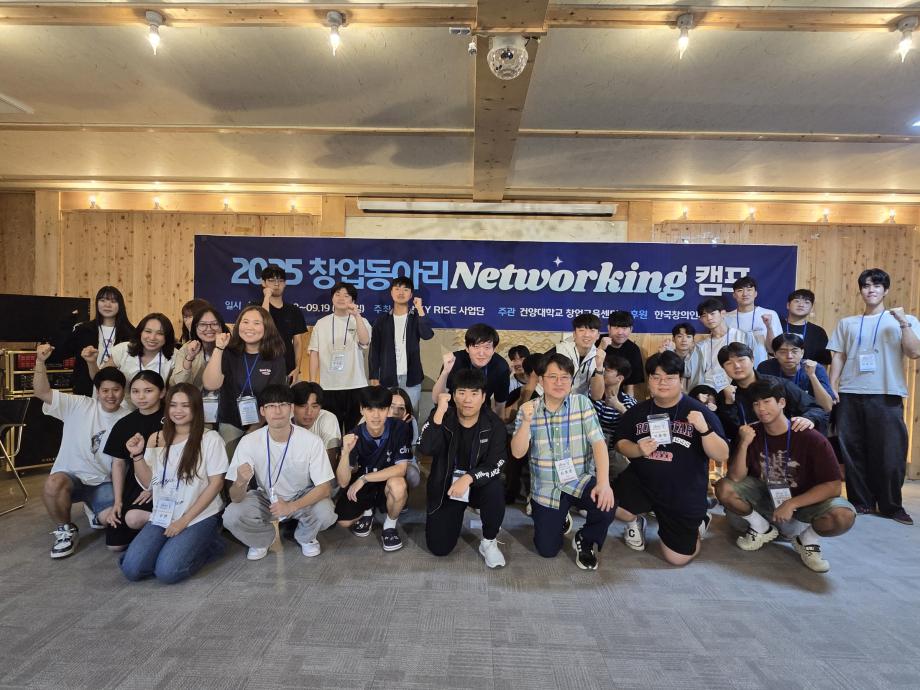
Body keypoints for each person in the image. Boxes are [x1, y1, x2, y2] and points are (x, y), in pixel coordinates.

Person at [715, 380, 856, 572]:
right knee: (724, 487)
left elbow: (833, 486)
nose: (761, 408)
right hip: (765, 497)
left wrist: (791, 504)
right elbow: (735, 478)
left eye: (767, 401)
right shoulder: (752, 433)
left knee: (843, 516)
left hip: (803, 504)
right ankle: (761, 528)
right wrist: (744, 443)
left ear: (782, 402)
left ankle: (807, 540)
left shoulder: (810, 437)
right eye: (756, 403)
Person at [614, 351, 729, 566]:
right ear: (649, 380)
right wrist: (638, 449)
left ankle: (698, 522)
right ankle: (636, 521)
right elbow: (621, 443)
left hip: (683, 491)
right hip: (643, 483)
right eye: (656, 377)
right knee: (606, 503)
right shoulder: (637, 412)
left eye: (670, 377)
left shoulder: (699, 412)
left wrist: (704, 430)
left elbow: (722, 454)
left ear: (681, 380)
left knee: (677, 559)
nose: (662, 383)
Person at [828, 268, 920, 524]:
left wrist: (902, 322)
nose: (871, 290)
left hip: (886, 393)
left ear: (885, 290)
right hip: (850, 393)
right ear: (861, 291)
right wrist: (832, 385)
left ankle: (891, 505)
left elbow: (914, 352)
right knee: (853, 451)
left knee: (890, 453)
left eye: (876, 286)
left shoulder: (904, 319)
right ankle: (861, 501)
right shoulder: (848, 323)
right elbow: (839, 356)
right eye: (866, 286)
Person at [511, 353, 616, 571]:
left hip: (579, 479)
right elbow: (518, 453)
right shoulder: (528, 409)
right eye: (552, 377)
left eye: (565, 377)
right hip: (546, 488)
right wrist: (527, 422)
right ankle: (560, 516)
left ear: (571, 380)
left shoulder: (582, 404)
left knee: (606, 503)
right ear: (541, 381)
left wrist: (603, 483)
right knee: (547, 550)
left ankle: (586, 539)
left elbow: (598, 444)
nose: (559, 382)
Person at [120, 383, 228, 584]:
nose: (178, 411)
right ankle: (175, 549)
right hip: (164, 514)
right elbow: (148, 483)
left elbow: (216, 484)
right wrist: (137, 455)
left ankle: (211, 544)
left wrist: (183, 521)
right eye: (173, 405)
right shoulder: (157, 438)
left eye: (185, 405)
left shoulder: (210, 439)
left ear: (196, 408)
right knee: (132, 570)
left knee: (167, 572)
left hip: (199, 516)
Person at [34, 343, 130, 559]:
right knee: (53, 484)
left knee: (113, 523)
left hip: (103, 483)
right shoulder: (78, 405)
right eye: (105, 390)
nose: (110, 395)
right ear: (98, 391)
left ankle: (95, 510)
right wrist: (40, 361)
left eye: (116, 390)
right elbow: (41, 392)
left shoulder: (128, 418)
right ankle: (65, 529)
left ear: (124, 391)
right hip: (71, 478)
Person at [224, 385, 337, 560]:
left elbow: (325, 488)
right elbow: (235, 498)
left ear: (291, 408)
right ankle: (262, 539)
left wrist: (292, 506)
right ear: (262, 411)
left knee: (326, 512)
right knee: (231, 515)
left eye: (283, 405)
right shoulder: (249, 442)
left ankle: (306, 537)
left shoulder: (311, 441)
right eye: (271, 406)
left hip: (301, 497)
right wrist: (239, 482)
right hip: (266, 498)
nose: (277, 411)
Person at [420, 369, 507, 567]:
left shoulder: (494, 425)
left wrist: (468, 478)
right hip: (446, 486)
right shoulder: (442, 416)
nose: (467, 399)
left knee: (495, 489)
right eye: (461, 392)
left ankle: (489, 541)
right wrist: (438, 412)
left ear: (483, 397)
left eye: (474, 393)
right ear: (453, 395)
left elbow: (497, 464)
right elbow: (425, 448)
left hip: (478, 484)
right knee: (439, 548)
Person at [335, 386, 413, 551]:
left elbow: (401, 469)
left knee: (398, 486)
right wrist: (345, 453)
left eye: (382, 409)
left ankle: (389, 526)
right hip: (365, 486)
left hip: (384, 481)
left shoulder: (400, 427)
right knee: (343, 521)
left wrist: (364, 478)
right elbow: (343, 482)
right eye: (370, 409)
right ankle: (367, 511)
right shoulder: (354, 434)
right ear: (362, 410)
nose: (376, 416)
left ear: (388, 410)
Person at [202, 305, 287, 454]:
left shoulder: (275, 358)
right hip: (230, 421)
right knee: (229, 464)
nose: (249, 327)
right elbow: (210, 384)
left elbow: (273, 398)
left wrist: (254, 429)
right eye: (245, 322)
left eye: (256, 323)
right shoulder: (228, 352)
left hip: (262, 424)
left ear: (267, 327)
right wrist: (219, 348)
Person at [102, 371, 166, 552]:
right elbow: (118, 464)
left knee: (133, 518)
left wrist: (155, 488)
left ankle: (169, 526)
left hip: (167, 483)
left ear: (162, 392)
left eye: (148, 391)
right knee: (114, 545)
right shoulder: (125, 424)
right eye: (136, 391)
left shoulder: (172, 418)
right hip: (136, 483)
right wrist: (118, 501)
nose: (141, 396)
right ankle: (150, 531)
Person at [716, 342, 828, 440]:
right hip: (750, 450)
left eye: (741, 360)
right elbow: (730, 433)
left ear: (752, 360)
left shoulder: (778, 384)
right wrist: (728, 405)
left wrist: (808, 419)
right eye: (729, 363)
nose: (736, 366)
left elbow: (816, 409)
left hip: (785, 443)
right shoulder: (725, 395)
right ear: (723, 368)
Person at [308, 282, 372, 433]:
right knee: (331, 431)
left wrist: (357, 316)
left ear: (353, 300)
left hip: (356, 385)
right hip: (328, 387)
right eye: (337, 294)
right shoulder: (321, 323)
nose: (341, 298)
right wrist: (312, 383)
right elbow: (314, 353)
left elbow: (365, 342)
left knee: (355, 432)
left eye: (346, 295)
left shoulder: (361, 321)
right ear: (332, 298)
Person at [367, 276, 434, 412]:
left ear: (411, 294)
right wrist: (374, 376)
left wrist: (420, 309)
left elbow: (427, 335)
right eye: (397, 289)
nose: (401, 292)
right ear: (391, 292)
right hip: (387, 377)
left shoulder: (415, 318)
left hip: (411, 378)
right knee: (387, 414)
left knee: (410, 415)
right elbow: (374, 351)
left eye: (405, 289)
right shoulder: (381, 321)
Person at [55, 285, 133, 397]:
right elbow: (61, 352)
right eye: (103, 300)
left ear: (120, 305)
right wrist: (66, 324)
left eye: (113, 301)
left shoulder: (130, 333)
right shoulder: (84, 330)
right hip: (85, 391)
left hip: (117, 393)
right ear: (97, 303)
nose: (107, 305)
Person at [432, 323, 511, 418]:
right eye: (476, 347)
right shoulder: (454, 361)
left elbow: (500, 405)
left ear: (494, 349)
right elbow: (437, 399)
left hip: (481, 413)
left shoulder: (501, 367)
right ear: (467, 348)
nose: (481, 353)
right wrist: (445, 372)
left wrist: (499, 426)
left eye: (487, 347)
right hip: (451, 411)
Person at [95, 313, 176, 402]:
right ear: (140, 332)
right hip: (123, 407)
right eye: (148, 331)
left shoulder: (174, 355)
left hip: (154, 407)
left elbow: (174, 389)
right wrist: (91, 362)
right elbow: (101, 379)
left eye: (160, 333)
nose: (152, 338)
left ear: (167, 336)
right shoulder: (123, 349)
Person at [172, 306, 230, 424]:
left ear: (221, 326)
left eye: (214, 324)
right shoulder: (187, 348)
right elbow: (180, 384)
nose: (209, 329)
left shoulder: (232, 348)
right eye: (202, 324)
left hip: (227, 409)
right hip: (194, 408)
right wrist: (189, 357)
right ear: (195, 327)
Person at [588, 353, 638, 479]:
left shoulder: (628, 402)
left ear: (619, 378)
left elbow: (636, 425)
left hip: (614, 452)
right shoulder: (591, 394)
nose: (603, 372)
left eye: (608, 370)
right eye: (603, 368)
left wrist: (619, 407)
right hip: (590, 450)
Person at [757, 333, 835, 412]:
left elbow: (827, 407)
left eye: (794, 351)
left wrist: (812, 375)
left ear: (802, 353)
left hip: (809, 414)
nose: (789, 356)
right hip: (777, 413)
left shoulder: (816, 368)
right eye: (783, 352)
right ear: (775, 354)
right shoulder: (765, 368)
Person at [689, 297, 755, 392]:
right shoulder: (701, 346)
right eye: (704, 315)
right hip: (710, 389)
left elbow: (753, 363)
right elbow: (696, 374)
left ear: (723, 313)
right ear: (701, 320)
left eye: (712, 313)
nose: (709, 318)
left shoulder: (743, 336)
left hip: (739, 386)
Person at [257, 264, 308, 383]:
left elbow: (298, 342)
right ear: (263, 283)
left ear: (285, 284)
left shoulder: (294, 310)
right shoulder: (255, 307)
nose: (276, 284)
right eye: (271, 280)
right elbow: (263, 322)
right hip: (261, 365)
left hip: (287, 368)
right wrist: (267, 296)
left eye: (280, 281)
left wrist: (297, 368)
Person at [725, 276, 781, 366]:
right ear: (734, 295)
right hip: (735, 367)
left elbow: (775, 349)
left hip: (762, 367)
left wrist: (769, 326)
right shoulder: (726, 318)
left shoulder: (770, 314)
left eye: (749, 290)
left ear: (755, 293)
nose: (745, 294)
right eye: (740, 290)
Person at [291, 382, 342, 471]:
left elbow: (330, 464)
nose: (309, 412)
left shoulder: (328, 419)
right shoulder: (283, 421)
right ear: (292, 406)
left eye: (314, 406)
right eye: (303, 406)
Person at [551, 312, 601, 396]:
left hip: (581, 401)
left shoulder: (598, 356)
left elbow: (597, 396)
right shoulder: (560, 350)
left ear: (598, 335)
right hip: (555, 397)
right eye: (581, 330)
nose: (587, 335)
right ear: (574, 334)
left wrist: (600, 366)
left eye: (592, 331)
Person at [599, 311, 644, 397]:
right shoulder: (597, 342)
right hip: (592, 393)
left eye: (624, 328)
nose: (620, 332)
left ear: (631, 329)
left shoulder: (633, 350)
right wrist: (600, 349)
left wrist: (628, 404)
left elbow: (630, 385)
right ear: (609, 328)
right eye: (616, 327)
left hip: (617, 395)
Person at [781, 289, 830, 363]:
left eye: (806, 302)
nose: (801, 305)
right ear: (788, 305)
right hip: (776, 370)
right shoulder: (776, 325)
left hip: (808, 370)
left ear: (811, 308)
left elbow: (823, 362)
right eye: (797, 301)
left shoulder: (818, 332)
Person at [388, 387, 422, 491]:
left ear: (406, 409)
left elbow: (411, 452)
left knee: (412, 475)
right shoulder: (376, 419)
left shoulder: (411, 421)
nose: (396, 411)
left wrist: (401, 429)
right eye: (392, 406)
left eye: (401, 408)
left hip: (404, 458)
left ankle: (402, 493)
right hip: (381, 459)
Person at [659, 321, 700, 391]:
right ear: (673, 339)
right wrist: (661, 355)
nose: (684, 340)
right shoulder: (666, 356)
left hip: (695, 394)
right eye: (680, 336)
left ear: (693, 340)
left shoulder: (700, 356)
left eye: (688, 336)